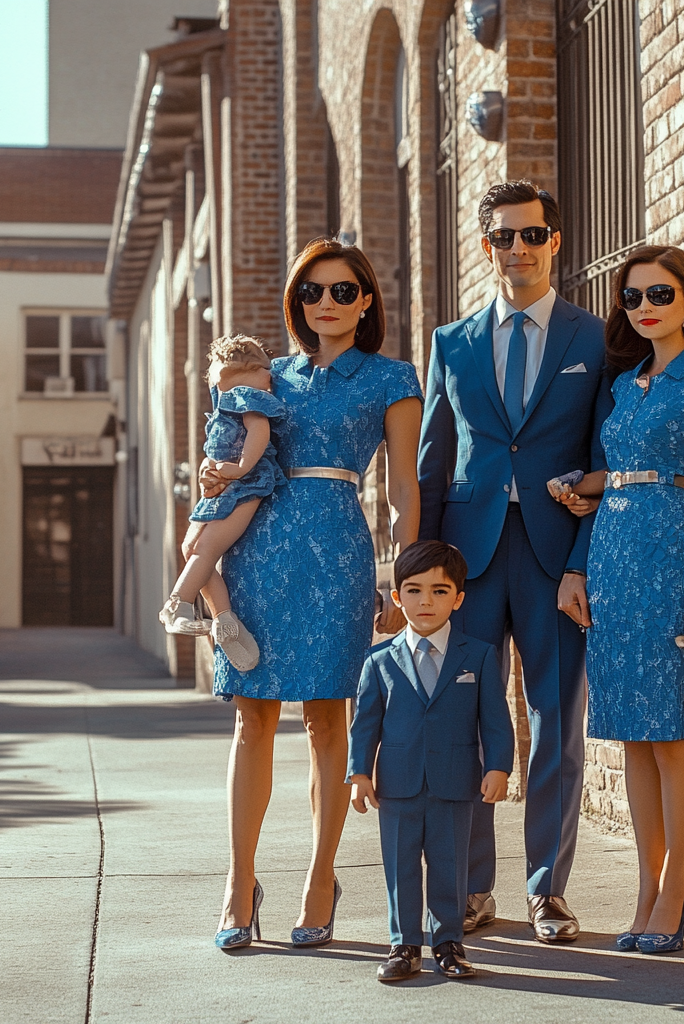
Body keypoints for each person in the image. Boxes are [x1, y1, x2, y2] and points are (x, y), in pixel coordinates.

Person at [200, 238, 423, 950]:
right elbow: (230, 449)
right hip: (259, 552)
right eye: (311, 292)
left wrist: (402, 575)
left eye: (341, 291)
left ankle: (321, 877)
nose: (324, 303)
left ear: (365, 302)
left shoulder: (392, 378)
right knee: (252, 718)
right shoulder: (271, 376)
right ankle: (239, 884)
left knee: (329, 720)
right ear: (297, 303)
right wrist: (214, 475)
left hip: (338, 556)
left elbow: (404, 487)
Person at [418, 180, 613, 942]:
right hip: (467, 559)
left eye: (532, 235)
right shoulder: (451, 343)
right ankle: (472, 888)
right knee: (465, 721)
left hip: (554, 559)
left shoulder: (593, 340)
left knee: (555, 722)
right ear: (486, 244)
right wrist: (422, 571)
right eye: (504, 236)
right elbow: (434, 463)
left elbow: (605, 458)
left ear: (555, 241)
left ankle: (547, 889)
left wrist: (584, 562)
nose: (519, 248)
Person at [550, 244, 684, 953]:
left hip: (672, 553)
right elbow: (624, 471)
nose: (645, 309)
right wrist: (585, 484)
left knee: (668, 733)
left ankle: (675, 887)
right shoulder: (626, 380)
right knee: (631, 731)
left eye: (660, 295)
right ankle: (646, 887)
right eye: (632, 299)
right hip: (612, 555)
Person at [348, 540, 515, 982]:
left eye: (440, 592)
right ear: (398, 597)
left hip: (457, 783)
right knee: (400, 867)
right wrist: (359, 773)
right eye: (415, 590)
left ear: (458, 599)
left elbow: (495, 719)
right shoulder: (378, 661)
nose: (427, 601)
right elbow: (364, 724)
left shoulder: (478, 656)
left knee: (449, 865)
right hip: (397, 785)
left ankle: (448, 943)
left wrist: (498, 766)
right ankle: (404, 944)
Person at [159, 335, 286, 672]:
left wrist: (240, 467)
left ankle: (179, 603)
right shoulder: (234, 399)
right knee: (193, 546)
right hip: (226, 486)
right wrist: (211, 469)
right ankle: (223, 618)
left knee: (205, 548)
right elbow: (224, 446)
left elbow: (259, 433)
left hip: (246, 486)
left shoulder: (242, 397)